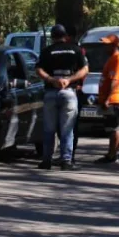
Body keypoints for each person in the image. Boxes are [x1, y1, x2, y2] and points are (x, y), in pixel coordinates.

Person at [36, 24, 88, 171]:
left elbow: (38, 69)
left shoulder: (47, 51)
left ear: (52, 37)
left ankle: (46, 160)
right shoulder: (76, 50)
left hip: (51, 93)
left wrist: (51, 79)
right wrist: (70, 80)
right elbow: (85, 69)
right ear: (65, 36)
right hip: (69, 92)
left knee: (49, 129)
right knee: (67, 129)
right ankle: (66, 161)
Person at [95, 34, 119, 165]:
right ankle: (112, 154)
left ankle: (112, 155)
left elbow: (115, 81)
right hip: (113, 98)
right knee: (114, 127)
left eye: (107, 44)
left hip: (114, 99)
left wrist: (108, 99)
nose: (104, 46)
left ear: (114, 45)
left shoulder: (118, 60)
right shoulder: (113, 59)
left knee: (114, 128)